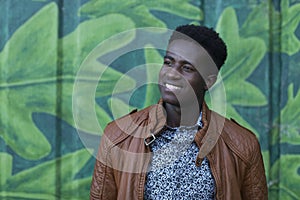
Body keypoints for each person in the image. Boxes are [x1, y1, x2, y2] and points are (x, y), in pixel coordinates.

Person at [90, 24, 268, 200]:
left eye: (187, 68)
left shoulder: (242, 146)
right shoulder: (117, 137)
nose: (172, 74)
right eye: (168, 62)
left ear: (208, 81)